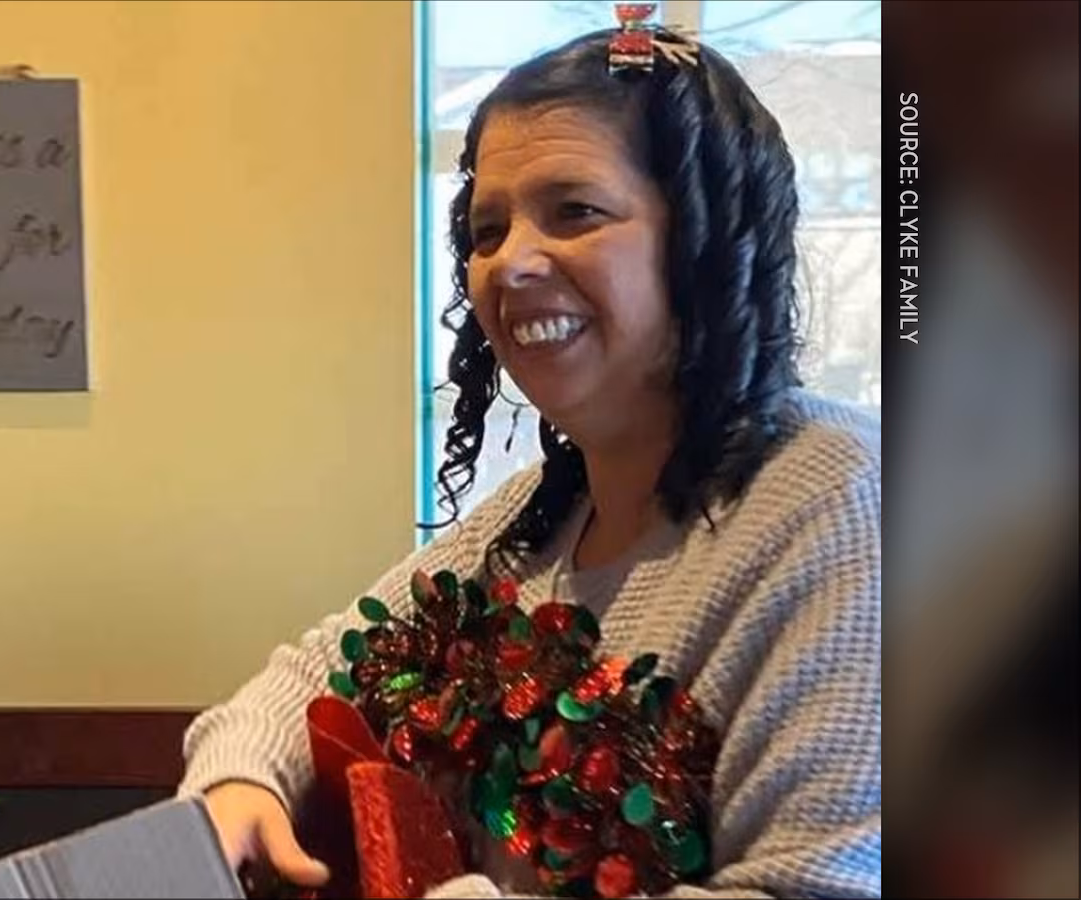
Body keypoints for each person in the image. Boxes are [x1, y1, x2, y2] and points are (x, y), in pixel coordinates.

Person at [179, 26, 881, 900]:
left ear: (705, 241)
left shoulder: (845, 502)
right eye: (487, 228)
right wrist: (239, 780)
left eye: (575, 211)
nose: (508, 262)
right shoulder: (534, 518)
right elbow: (313, 674)